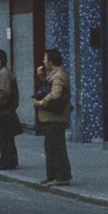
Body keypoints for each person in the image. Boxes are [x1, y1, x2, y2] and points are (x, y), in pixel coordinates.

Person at [33, 48, 72, 187]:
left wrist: (41, 102)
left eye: (45, 59)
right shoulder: (53, 74)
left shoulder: (59, 75)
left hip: (57, 117)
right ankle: (51, 175)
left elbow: (55, 94)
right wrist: (42, 78)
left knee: (57, 146)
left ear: (51, 61)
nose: (43, 61)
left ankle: (62, 176)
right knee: (50, 146)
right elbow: (48, 89)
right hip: (52, 117)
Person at [0, 49, 19, 170]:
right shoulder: (0, 72)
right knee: (6, 137)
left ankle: (6, 161)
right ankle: (9, 160)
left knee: (4, 137)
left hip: (4, 111)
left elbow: (5, 91)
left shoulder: (3, 73)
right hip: (3, 110)